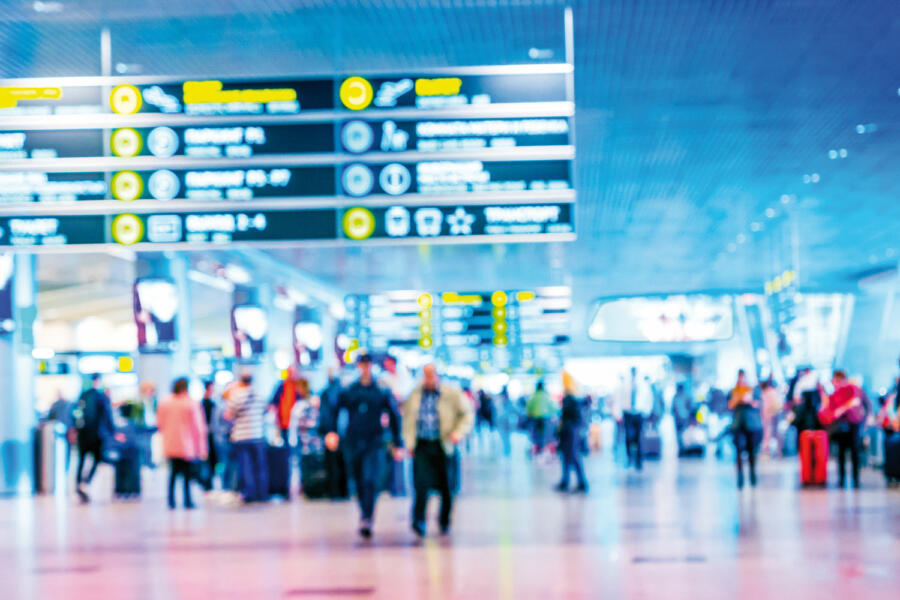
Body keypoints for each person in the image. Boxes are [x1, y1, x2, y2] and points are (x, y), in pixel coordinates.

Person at [324, 353, 403, 539]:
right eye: (362, 364)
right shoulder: (350, 390)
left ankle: (367, 516)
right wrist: (331, 431)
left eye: (367, 365)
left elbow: (394, 416)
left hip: (374, 441)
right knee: (359, 479)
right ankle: (364, 513)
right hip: (354, 440)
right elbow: (334, 409)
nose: (365, 368)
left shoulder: (380, 390)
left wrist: (397, 443)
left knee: (370, 478)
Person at [401, 364, 473, 537]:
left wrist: (458, 432)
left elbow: (467, 414)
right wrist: (409, 443)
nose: (428, 379)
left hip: (444, 444)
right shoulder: (415, 395)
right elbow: (407, 419)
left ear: (437, 376)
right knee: (421, 484)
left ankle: (444, 520)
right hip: (423, 445)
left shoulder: (452, 394)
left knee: (448, 486)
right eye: (425, 375)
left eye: (431, 375)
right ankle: (419, 521)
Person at [156, 377, 208, 509]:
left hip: (170, 444)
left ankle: (171, 501)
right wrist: (202, 449)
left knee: (173, 473)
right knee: (186, 474)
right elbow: (198, 428)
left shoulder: (165, 402)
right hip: (187, 445)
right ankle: (187, 500)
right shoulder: (191, 403)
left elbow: (159, 424)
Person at [223, 369, 269, 503]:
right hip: (258, 435)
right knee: (261, 466)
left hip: (241, 436)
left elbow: (228, 415)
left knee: (246, 467)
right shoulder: (259, 394)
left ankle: (250, 494)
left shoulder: (236, 396)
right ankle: (262, 494)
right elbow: (264, 411)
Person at [74, 374, 116, 504]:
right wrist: (113, 431)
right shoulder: (102, 397)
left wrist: (75, 429)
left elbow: (76, 414)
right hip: (96, 435)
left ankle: (79, 483)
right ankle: (86, 482)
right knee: (96, 459)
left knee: (81, 460)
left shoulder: (83, 396)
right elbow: (108, 416)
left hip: (83, 434)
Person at [821, 370, 865, 488]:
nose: (835, 383)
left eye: (836, 381)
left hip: (853, 424)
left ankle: (855, 479)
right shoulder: (834, 393)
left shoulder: (852, 389)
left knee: (855, 452)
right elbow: (830, 410)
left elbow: (856, 402)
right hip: (840, 426)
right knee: (840, 453)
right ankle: (841, 479)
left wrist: (841, 409)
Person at [318, 368, 348, 499]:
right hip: (341, 433)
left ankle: (335, 492)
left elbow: (326, 414)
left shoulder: (327, 393)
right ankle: (342, 492)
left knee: (333, 465)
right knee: (342, 463)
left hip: (333, 432)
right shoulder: (343, 391)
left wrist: (327, 432)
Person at [556, 372, 588, 493]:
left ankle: (579, 482)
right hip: (570, 432)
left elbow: (566, 418)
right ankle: (567, 481)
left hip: (570, 432)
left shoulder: (570, 400)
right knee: (568, 457)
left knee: (572, 456)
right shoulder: (574, 400)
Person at [729, 369, 759, 488]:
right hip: (738, 424)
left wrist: (750, 401)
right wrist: (738, 400)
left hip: (750, 424)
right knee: (738, 451)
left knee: (752, 450)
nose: (741, 380)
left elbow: (758, 404)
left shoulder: (752, 390)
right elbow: (730, 405)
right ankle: (740, 476)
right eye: (740, 377)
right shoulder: (734, 391)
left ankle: (752, 473)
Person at [618, 368, 652, 470]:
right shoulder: (625, 385)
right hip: (628, 413)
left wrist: (646, 412)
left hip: (639, 413)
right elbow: (620, 399)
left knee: (639, 438)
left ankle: (638, 460)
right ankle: (629, 458)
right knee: (628, 437)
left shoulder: (643, 385)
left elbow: (648, 399)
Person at [270, 365, 306, 445]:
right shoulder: (281, 386)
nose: (292, 374)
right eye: (290, 372)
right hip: (284, 422)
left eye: (293, 372)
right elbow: (274, 402)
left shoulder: (299, 386)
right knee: (285, 444)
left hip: (297, 423)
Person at [200, 380, 220, 491]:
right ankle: (207, 483)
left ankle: (208, 483)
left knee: (211, 459)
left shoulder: (210, 403)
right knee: (207, 459)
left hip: (211, 435)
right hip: (206, 435)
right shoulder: (205, 404)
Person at [526, 381, 554, 455]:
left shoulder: (534, 396)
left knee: (536, 435)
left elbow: (528, 408)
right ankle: (543, 448)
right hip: (545, 419)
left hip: (535, 419)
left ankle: (537, 448)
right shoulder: (546, 396)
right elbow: (553, 407)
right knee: (545, 434)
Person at [760, 379, 783, 457]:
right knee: (774, 434)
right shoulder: (772, 392)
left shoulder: (766, 393)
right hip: (773, 415)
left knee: (767, 434)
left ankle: (768, 452)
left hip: (769, 415)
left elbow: (767, 405)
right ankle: (778, 452)